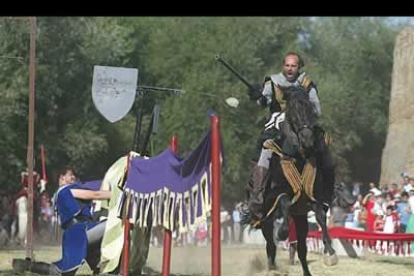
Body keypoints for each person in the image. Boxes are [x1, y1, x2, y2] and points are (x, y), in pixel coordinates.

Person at [246, 52, 335, 222]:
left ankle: (330, 189)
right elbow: (263, 102)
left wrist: (304, 115)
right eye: (287, 65)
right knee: (267, 147)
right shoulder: (272, 82)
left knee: (324, 143)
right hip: (277, 122)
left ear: (299, 67)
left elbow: (317, 108)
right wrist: (257, 96)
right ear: (283, 66)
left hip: (302, 123)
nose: (290, 68)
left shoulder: (307, 83)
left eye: (293, 65)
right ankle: (257, 194)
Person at [13, 165, 111, 276]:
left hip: (74, 233)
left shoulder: (59, 194)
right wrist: (118, 194)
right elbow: (95, 194)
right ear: (62, 178)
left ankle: (25, 265)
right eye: (70, 175)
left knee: (60, 272)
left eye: (74, 175)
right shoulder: (67, 190)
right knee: (112, 223)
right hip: (79, 231)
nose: (73, 177)